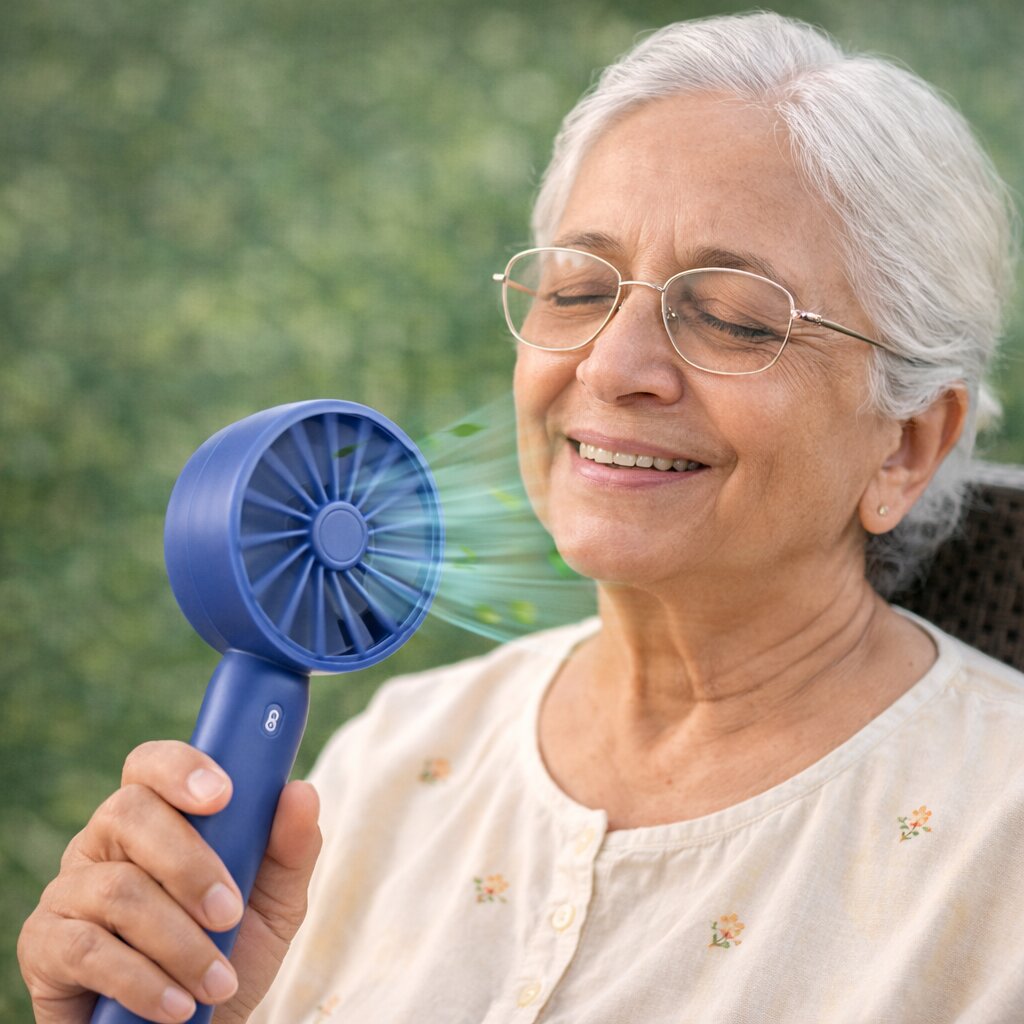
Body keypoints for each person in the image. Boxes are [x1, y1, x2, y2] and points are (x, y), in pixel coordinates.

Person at [18, 11, 1024, 1023]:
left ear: (906, 442)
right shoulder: (397, 757)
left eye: (730, 317)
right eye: (579, 289)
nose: (611, 366)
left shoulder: (998, 845)